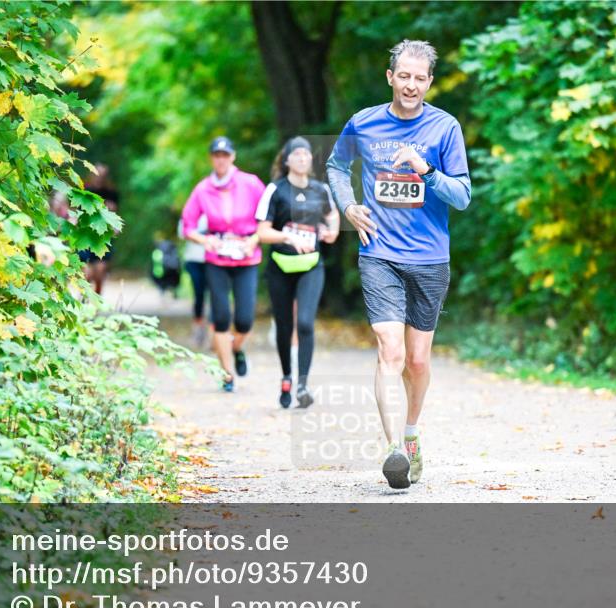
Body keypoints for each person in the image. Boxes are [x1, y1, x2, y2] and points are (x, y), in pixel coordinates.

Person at [325, 40, 471, 489]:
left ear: (429, 82)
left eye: (419, 78)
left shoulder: (445, 128)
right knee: (389, 351)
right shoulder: (364, 123)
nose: (411, 84)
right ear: (390, 77)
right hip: (379, 252)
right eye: (403, 76)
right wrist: (348, 206)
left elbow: (462, 197)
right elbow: (335, 165)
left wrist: (426, 170)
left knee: (418, 361)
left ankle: (410, 435)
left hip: (429, 258)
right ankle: (393, 455)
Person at [256, 137, 340, 409]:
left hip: (311, 266)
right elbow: (262, 232)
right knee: (284, 326)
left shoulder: (321, 189)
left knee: (304, 323)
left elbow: (333, 215)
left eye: (306, 154)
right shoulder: (275, 190)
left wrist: (331, 231)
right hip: (281, 266)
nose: (303, 158)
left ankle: (303, 384)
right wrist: (288, 238)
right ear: (287, 159)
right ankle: (286, 377)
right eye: (297, 153)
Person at [181, 136, 266, 392]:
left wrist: (254, 239)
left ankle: (236, 348)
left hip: (246, 256)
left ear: (233, 157)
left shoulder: (250, 183)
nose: (221, 160)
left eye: (225, 155)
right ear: (211, 159)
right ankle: (227, 374)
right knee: (220, 316)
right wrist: (205, 240)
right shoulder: (203, 189)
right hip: (217, 258)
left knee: (244, 320)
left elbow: (269, 217)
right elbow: (188, 226)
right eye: (216, 155)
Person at [81, 163, 118, 295]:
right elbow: (76, 211)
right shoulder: (85, 190)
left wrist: (114, 226)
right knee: (87, 273)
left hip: (103, 236)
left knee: (100, 271)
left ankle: (96, 300)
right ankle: (83, 300)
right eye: (98, 174)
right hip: (86, 235)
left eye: (103, 175)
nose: (100, 178)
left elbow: (115, 213)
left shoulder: (111, 192)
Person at [178, 215, 211, 349]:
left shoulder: (214, 209)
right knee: (199, 294)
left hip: (212, 259)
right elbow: (182, 233)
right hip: (194, 260)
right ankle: (198, 329)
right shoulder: (189, 213)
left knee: (215, 296)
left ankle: (213, 333)